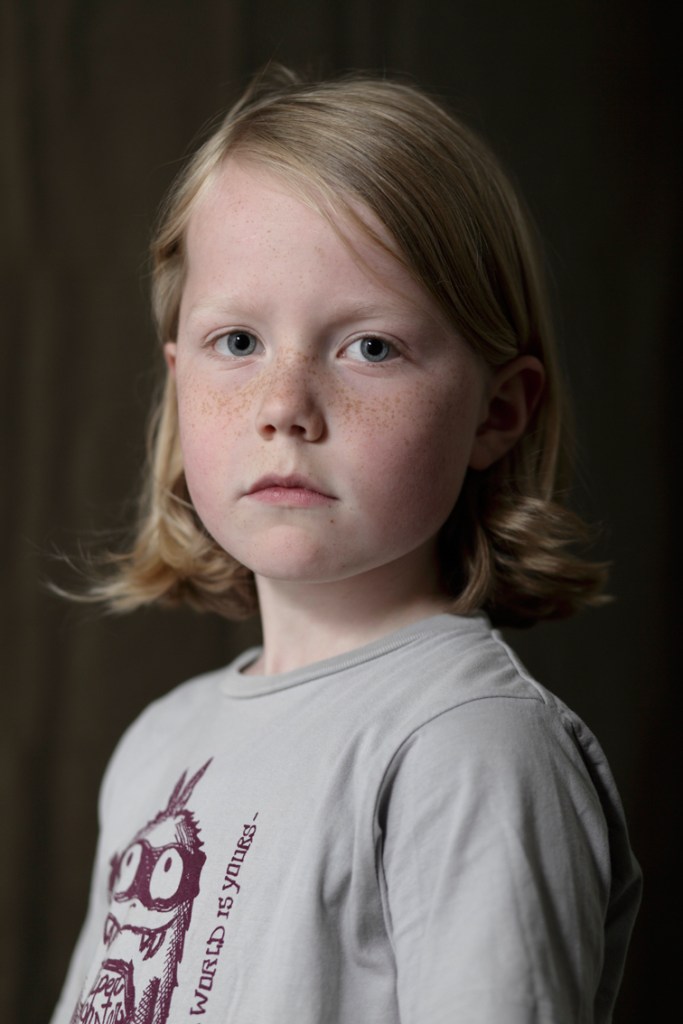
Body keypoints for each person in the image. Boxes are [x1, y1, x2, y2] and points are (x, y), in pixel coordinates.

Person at [51, 67, 641, 1024]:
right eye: (237, 343)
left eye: (369, 347)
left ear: (496, 412)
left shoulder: (468, 749)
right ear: (177, 377)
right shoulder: (159, 745)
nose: (284, 406)